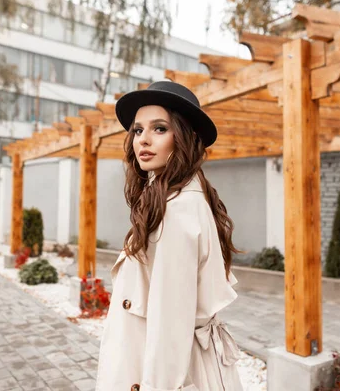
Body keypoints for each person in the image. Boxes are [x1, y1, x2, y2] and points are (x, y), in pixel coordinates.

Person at [95, 81, 244, 391]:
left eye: (159, 129)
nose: (144, 140)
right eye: (137, 130)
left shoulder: (176, 212)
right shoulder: (174, 197)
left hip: (163, 374)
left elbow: (170, 326)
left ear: (185, 137)